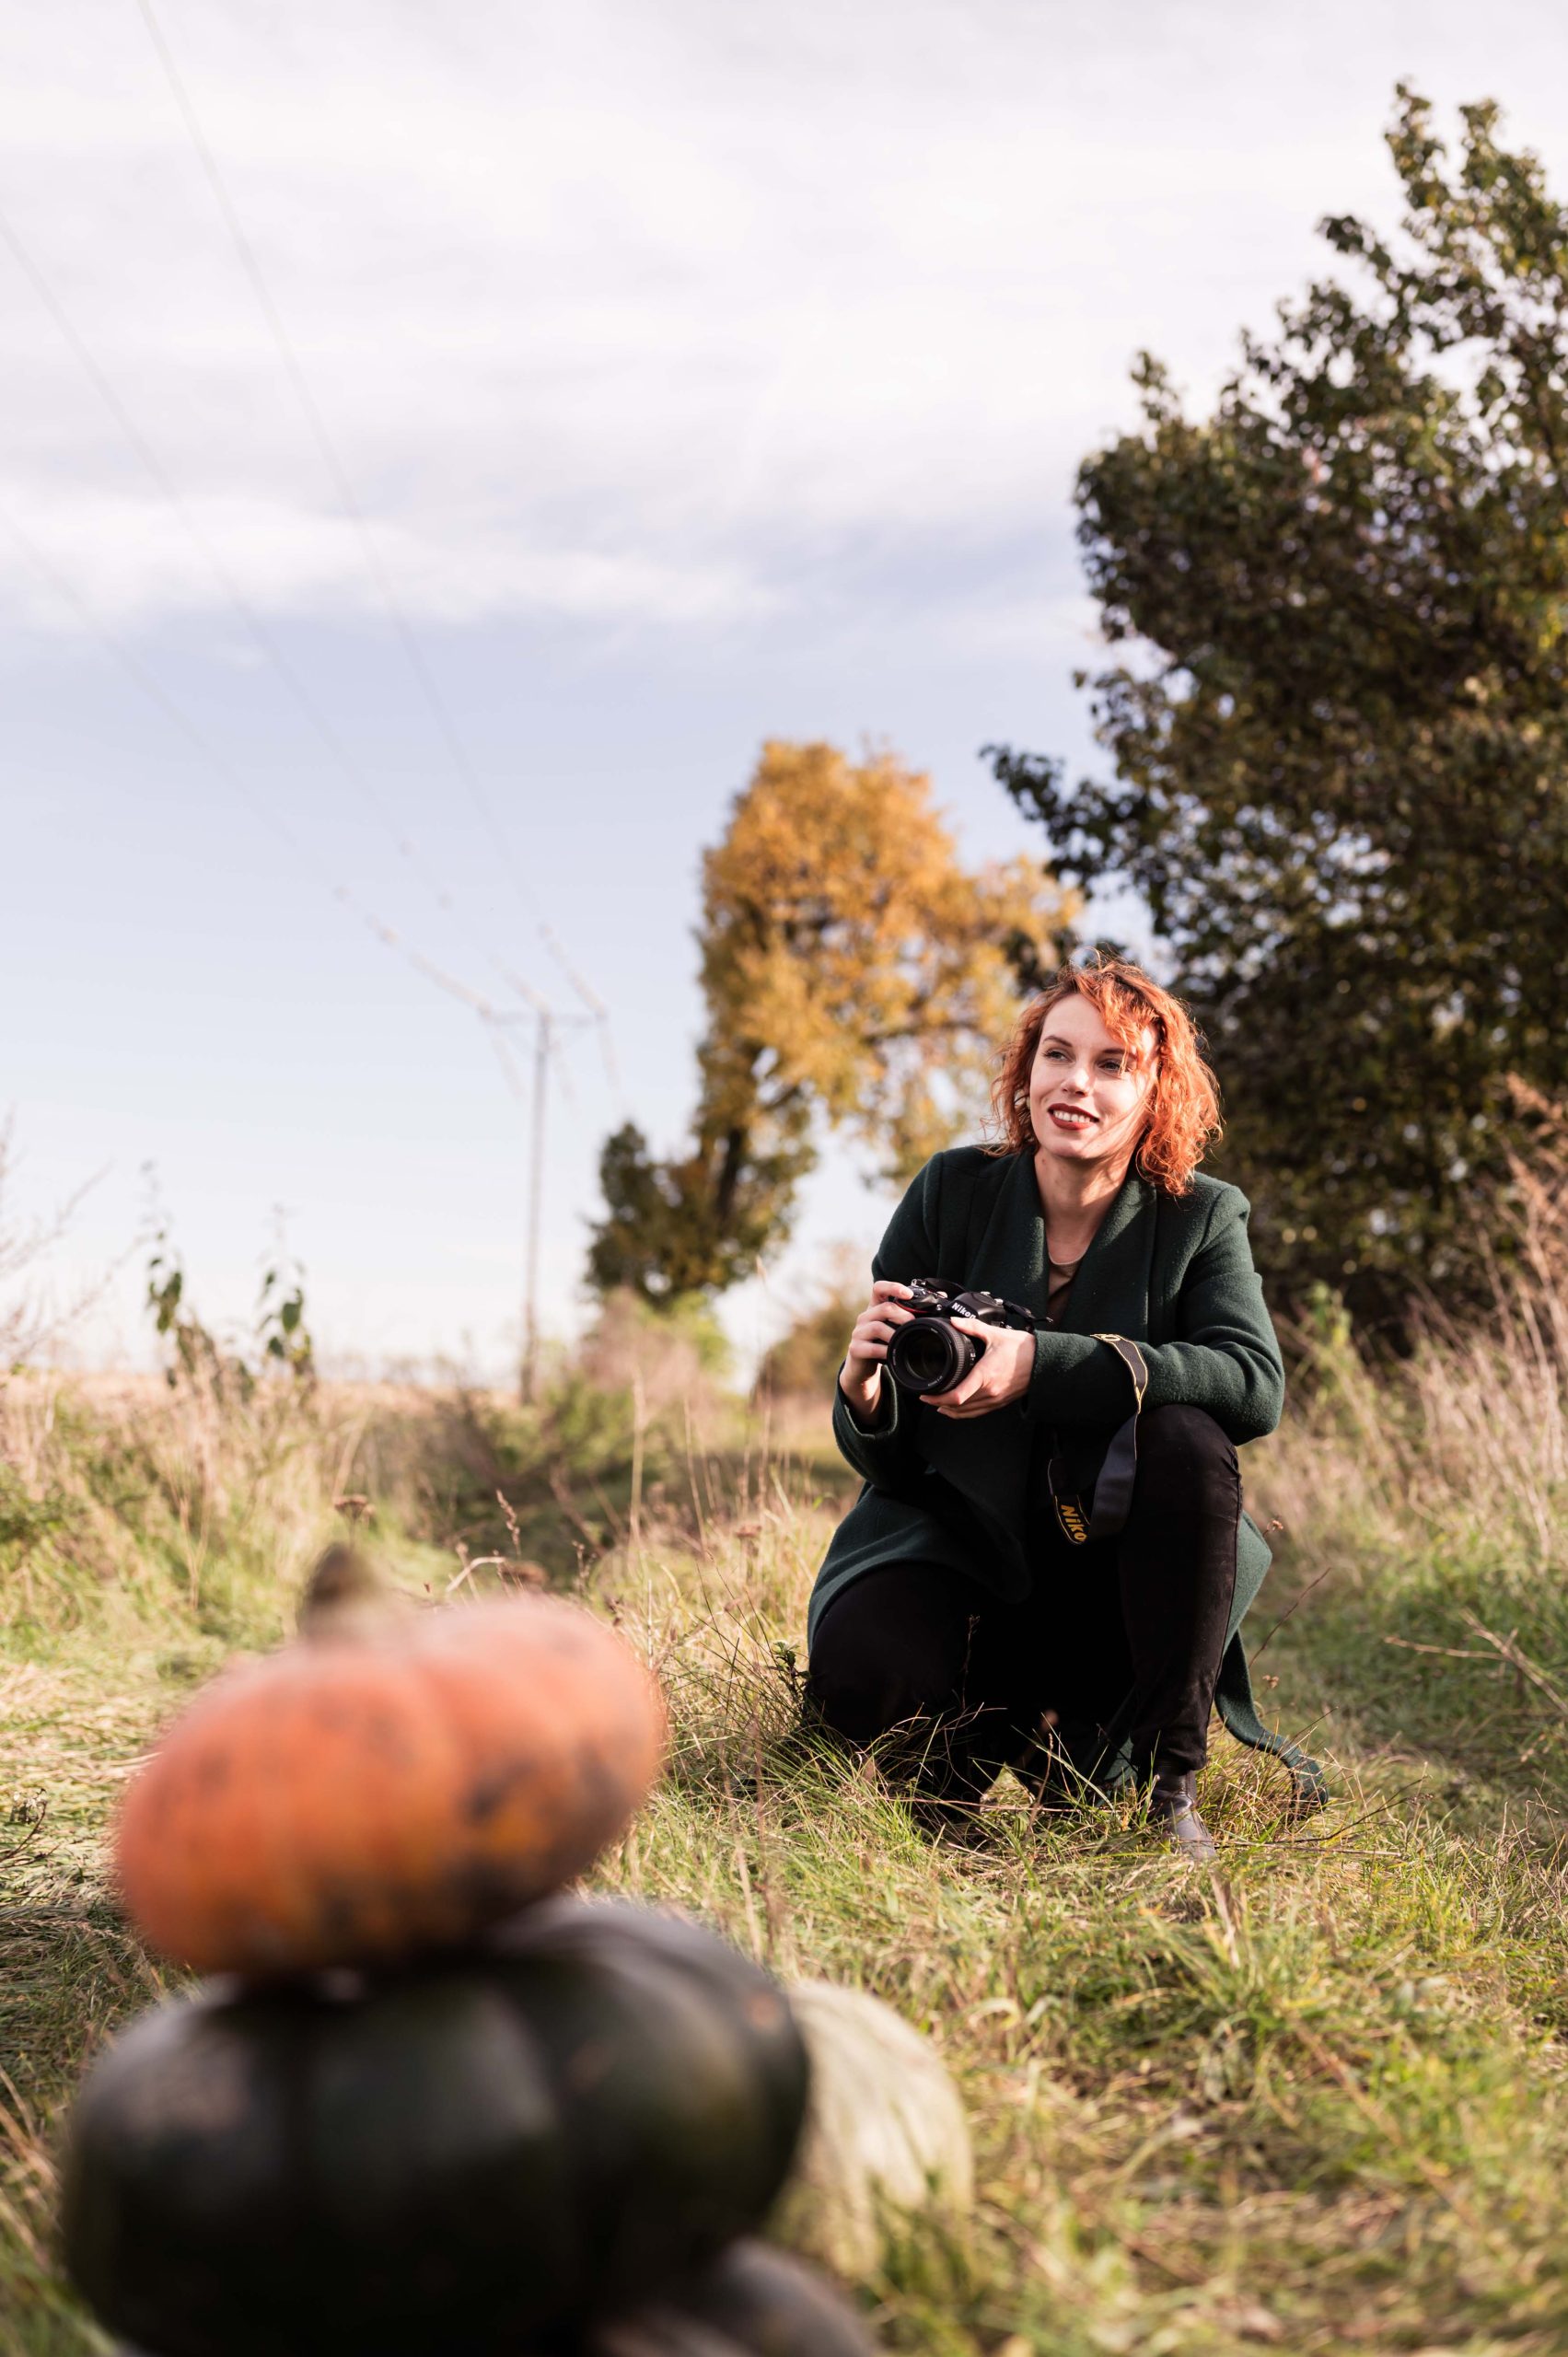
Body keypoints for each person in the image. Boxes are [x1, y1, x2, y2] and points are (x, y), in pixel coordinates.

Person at [805, 958, 1322, 1860]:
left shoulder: (1200, 1217)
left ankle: (1168, 1785)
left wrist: (1041, 1363)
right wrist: (863, 1390)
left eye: (1110, 1062)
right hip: (957, 1554)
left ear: (1155, 1086)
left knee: (1187, 1437)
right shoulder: (949, 1191)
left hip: (1103, 1577)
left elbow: (1252, 1384)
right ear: (1026, 1070)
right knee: (860, 1689)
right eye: (1054, 1054)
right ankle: (959, 1758)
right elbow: (888, 1463)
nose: (1073, 1083)